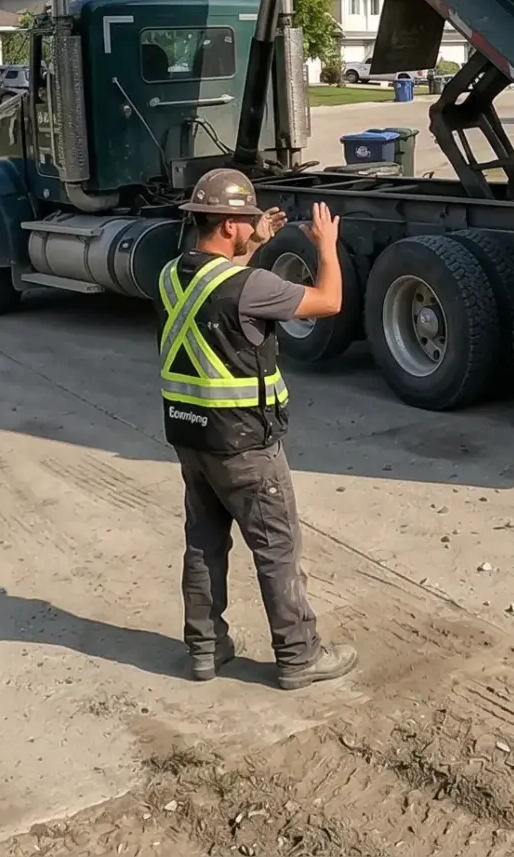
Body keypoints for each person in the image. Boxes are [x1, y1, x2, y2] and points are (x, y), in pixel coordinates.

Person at [161, 168, 358, 689]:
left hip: (192, 437)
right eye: (247, 219)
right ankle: (299, 655)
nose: (253, 224)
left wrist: (257, 246)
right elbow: (329, 302)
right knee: (277, 548)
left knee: (204, 543)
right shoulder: (251, 286)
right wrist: (327, 246)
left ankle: (205, 650)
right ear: (228, 225)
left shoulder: (172, 276)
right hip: (247, 445)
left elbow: (220, 288)